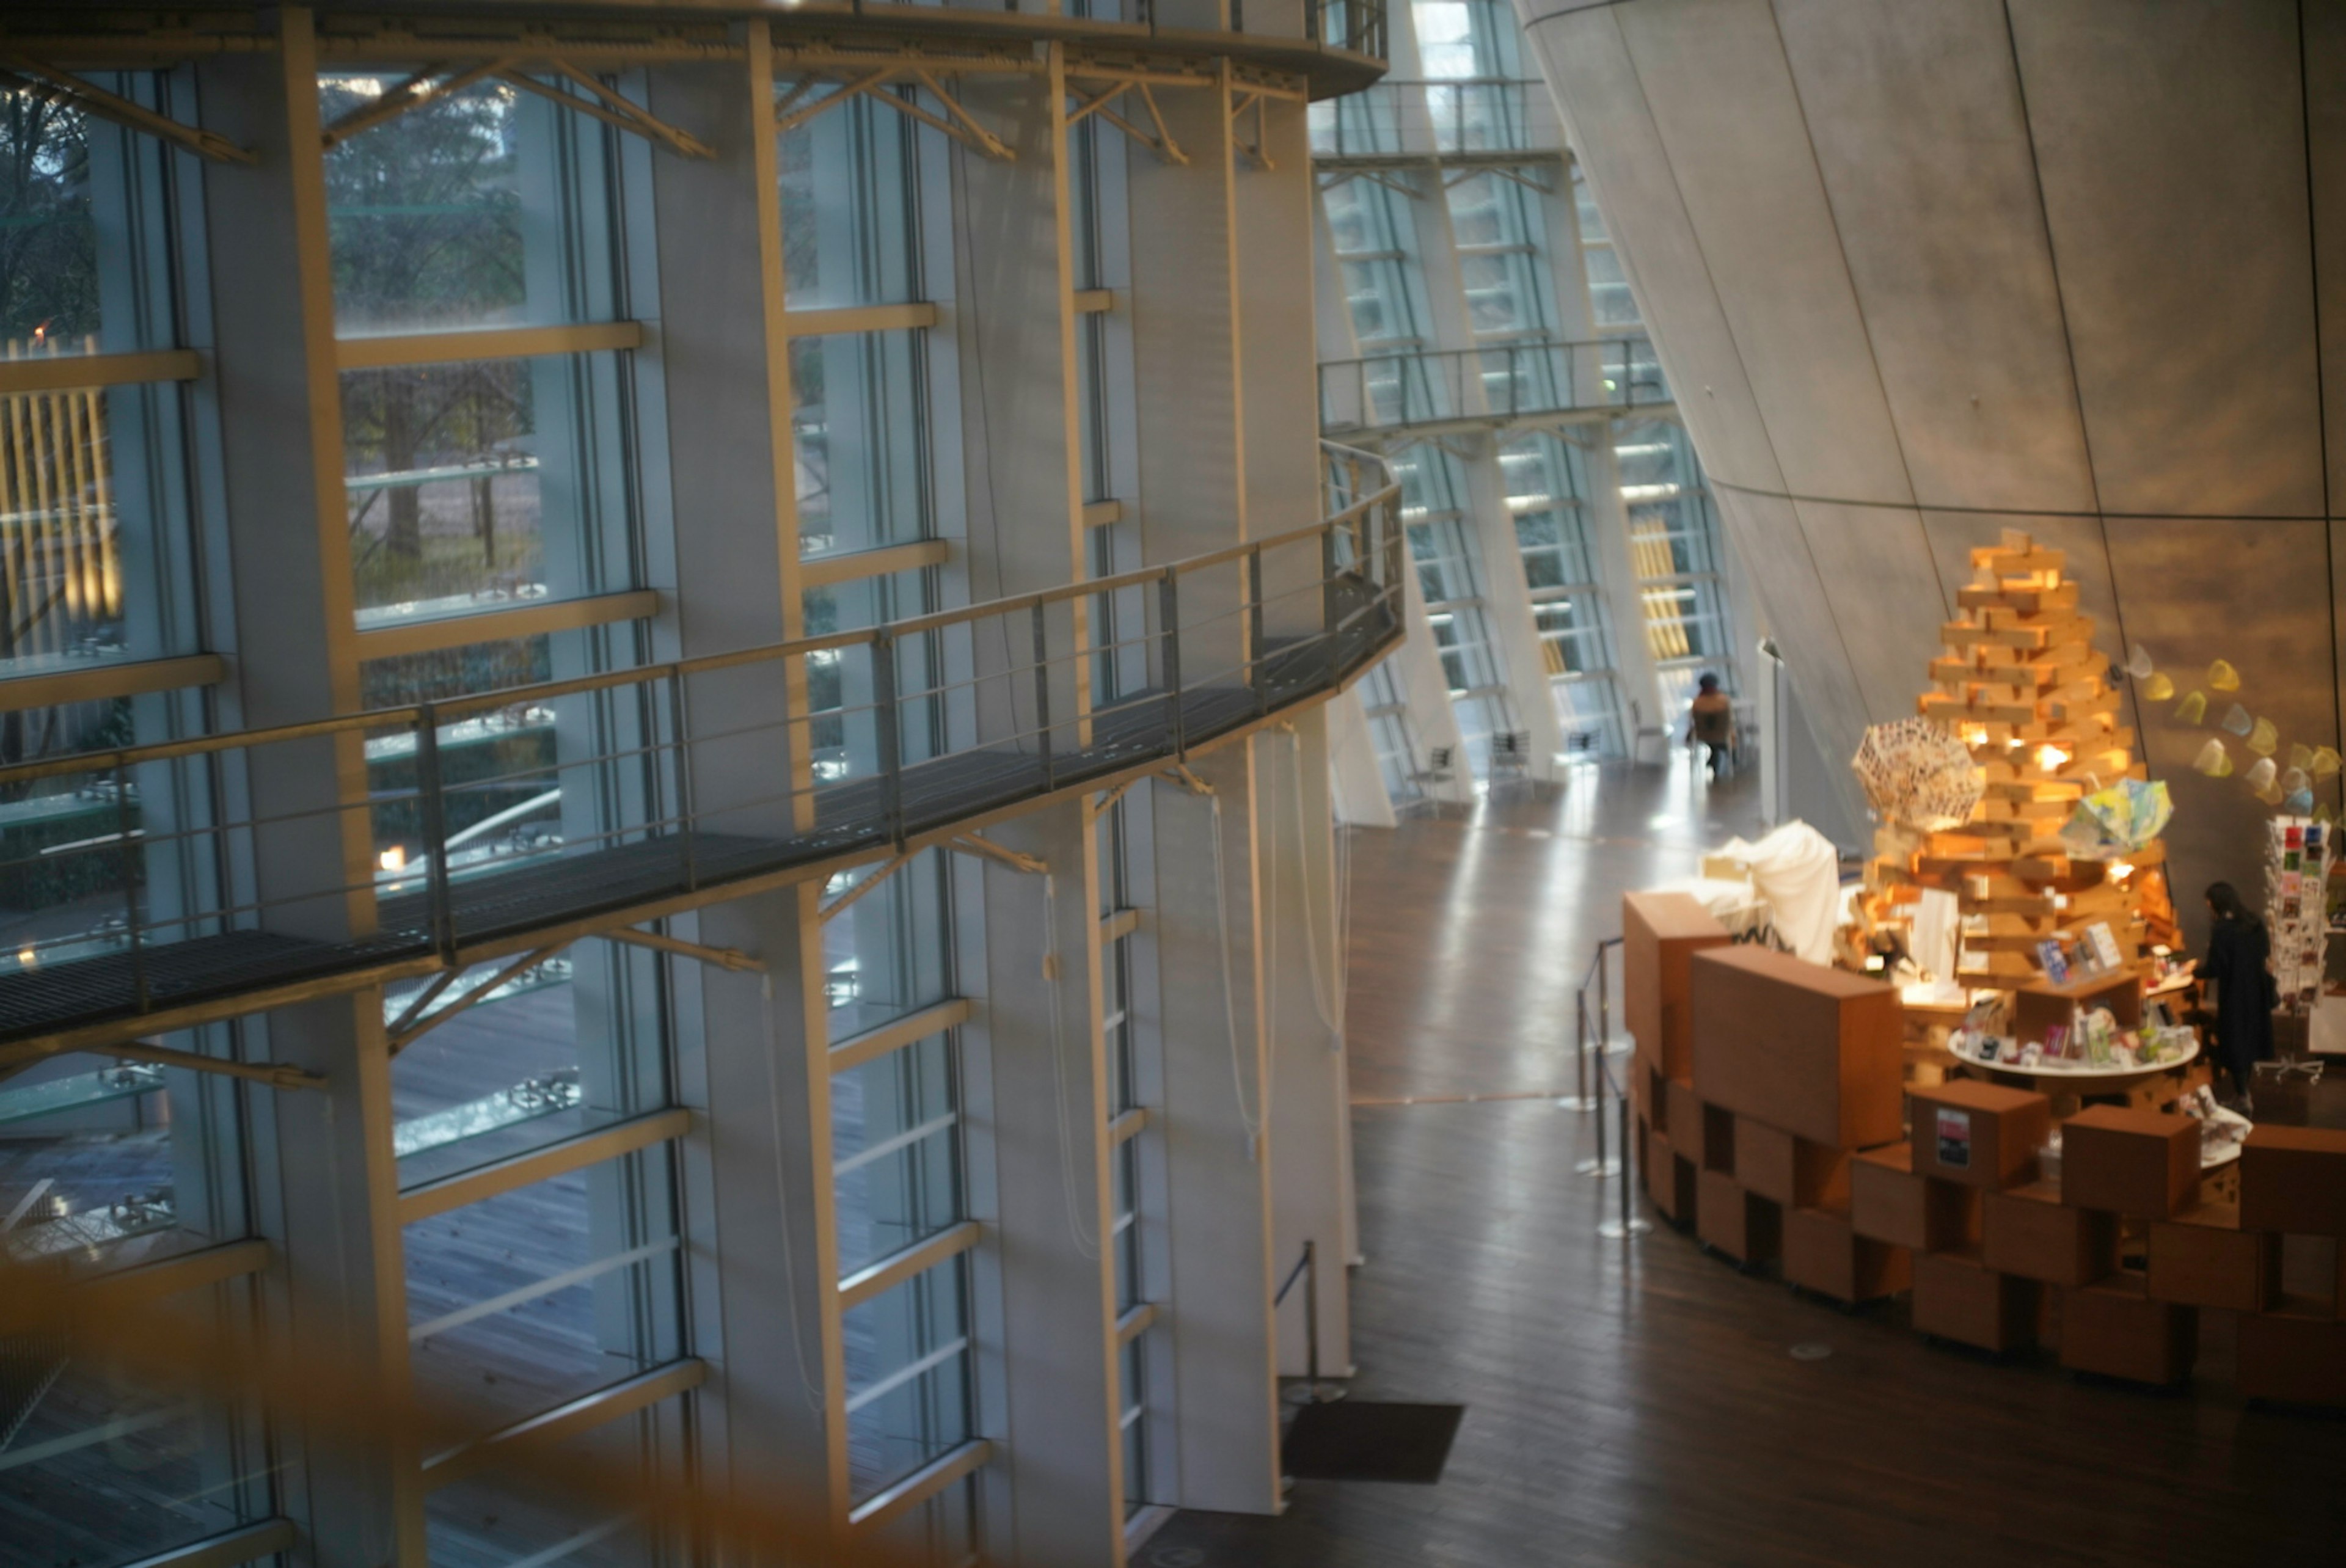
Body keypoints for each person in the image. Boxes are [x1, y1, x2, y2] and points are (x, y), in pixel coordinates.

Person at [2200, 880, 2275, 1102]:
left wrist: (2193, 972)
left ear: (2217, 904)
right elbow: (2265, 951)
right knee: (2250, 1040)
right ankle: (2243, 1094)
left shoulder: (2223, 930)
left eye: (2210, 905)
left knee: (2234, 1043)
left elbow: (2215, 968)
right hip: (2256, 990)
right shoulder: (2254, 922)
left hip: (2235, 993)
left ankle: (2243, 1096)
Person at [1687, 673, 1734, 779]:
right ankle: (1724, 760)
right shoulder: (1724, 701)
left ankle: (1713, 759)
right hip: (1722, 736)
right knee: (1727, 741)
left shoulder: (1697, 703)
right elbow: (1729, 721)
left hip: (1702, 736)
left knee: (1714, 743)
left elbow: (1693, 721)